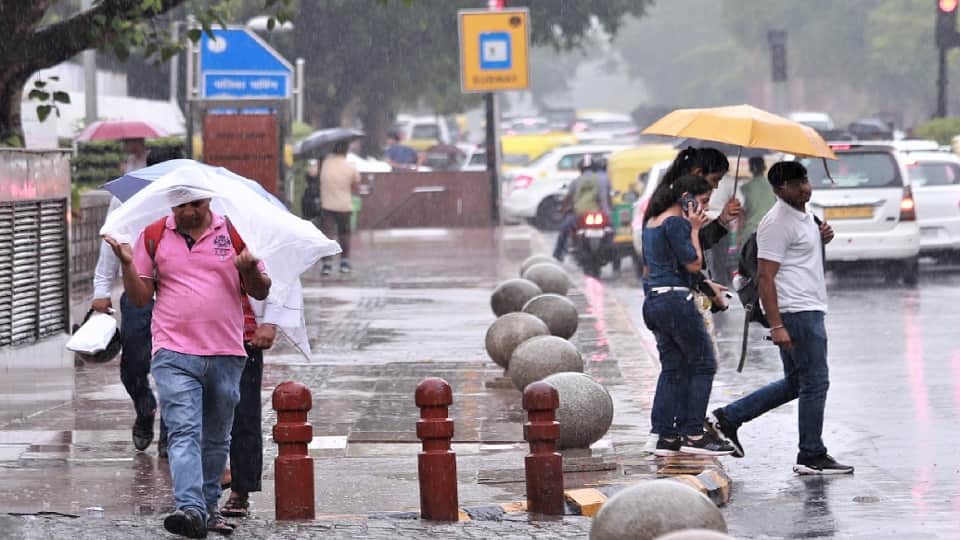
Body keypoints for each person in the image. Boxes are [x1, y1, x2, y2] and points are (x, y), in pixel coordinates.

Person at [104, 192, 271, 538]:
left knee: (215, 437)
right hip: (173, 353)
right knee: (183, 431)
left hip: (227, 352)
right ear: (171, 205)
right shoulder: (154, 234)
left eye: (196, 205)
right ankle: (190, 507)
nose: (189, 212)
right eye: (181, 206)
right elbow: (139, 298)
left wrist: (249, 270)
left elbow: (261, 291)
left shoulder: (235, 233)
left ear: (208, 201)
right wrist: (126, 264)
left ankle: (207, 509)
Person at [706, 161, 853, 475]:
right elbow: (766, 278)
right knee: (815, 382)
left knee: (796, 383)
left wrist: (822, 236)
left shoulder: (805, 217)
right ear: (780, 189)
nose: (805, 187)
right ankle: (811, 454)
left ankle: (728, 418)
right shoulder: (776, 223)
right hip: (796, 312)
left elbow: (802, 256)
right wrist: (777, 325)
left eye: (806, 180)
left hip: (808, 308)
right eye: (797, 183)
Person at [91, 147, 185, 457]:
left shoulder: (189, 200)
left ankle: (171, 431)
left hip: (180, 296)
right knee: (133, 365)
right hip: (138, 294)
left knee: (173, 367)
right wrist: (101, 291)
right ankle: (145, 407)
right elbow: (110, 242)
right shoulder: (127, 197)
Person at [640, 174, 734, 457]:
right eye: (703, 201)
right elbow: (693, 263)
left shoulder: (652, 223)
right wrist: (694, 228)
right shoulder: (676, 222)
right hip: (676, 301)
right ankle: (693, 433)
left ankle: (665, 436)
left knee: (673, 368)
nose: (704, 207)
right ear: (687, 198)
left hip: (655, 300)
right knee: (704, 363)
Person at [219, 300, 280, 518]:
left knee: (243, 414)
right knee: (192, 415)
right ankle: (202, 484)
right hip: (191, 336)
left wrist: (270, 322)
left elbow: (278, 281)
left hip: (243, 337)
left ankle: (240, 489)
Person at [552, 156, 612, 261]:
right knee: (613, 232)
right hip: (600, 214)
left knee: (564, 229)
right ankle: (614, 257)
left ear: (580, 169)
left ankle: (558, 254)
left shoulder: (576, 181)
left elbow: (569, 197)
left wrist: (562, 210)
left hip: (579, 214)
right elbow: (606, 197)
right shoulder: (602, 179)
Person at [319, 141, 361, 275]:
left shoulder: (325, 164)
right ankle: (344, 263)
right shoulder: (350, 166)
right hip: (344, 206)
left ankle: (327, 264)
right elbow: (356, 186)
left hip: (327, 205)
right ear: (346, 151)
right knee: (344, 234)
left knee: (328, 235)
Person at [739, 156, 777, 240]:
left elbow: (741, 215)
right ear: (764, 168)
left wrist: (738, 236)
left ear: (751, 169)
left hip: (750, 234)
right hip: (770, 232)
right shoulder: (773, 187)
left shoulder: (745, 188)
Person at [301, 159, 322, 226]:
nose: (312, 169)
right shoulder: (303, 181)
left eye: (314, 166)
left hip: (317, 214)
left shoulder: (320, 180)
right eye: (310, 166)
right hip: (306, 214)